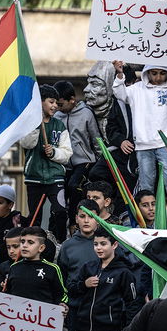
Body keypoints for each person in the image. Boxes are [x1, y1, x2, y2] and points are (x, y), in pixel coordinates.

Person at [112, 60, 167, 196]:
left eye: (163, 73)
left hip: (166, 142)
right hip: (143, 144)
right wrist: (120, 74)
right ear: (147, 72)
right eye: (154, 73)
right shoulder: (136, 89)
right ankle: (147, 215)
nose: (158, 77)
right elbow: (120, 94)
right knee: (146, 184)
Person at [20, 84, 72, 242]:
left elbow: (67, 153)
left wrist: (54, 153)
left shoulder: (59, 125)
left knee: (60, 212)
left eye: (56, 102)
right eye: (51, 102)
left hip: (55, 178)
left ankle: (60, 244)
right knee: (35, 216)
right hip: (34, 178)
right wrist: (36, 124)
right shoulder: (29, 123)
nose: (55, 106)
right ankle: (34, 245)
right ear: (40, 102)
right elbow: (27, 143)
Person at [69, 228, 140, 331]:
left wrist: (128, 329)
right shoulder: (89, 267)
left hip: (108, 330)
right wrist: (84, 284)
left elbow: (132, 303)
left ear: (114, 245)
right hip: (83, 327)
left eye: (103, 244)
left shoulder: (123, 272)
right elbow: (71, 289)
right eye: (95, 244)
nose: (99, 248)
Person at [87, 63, 139, 213]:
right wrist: (121, 141)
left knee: (128, 185)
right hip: (119, 151)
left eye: (128, 84)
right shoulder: (119, 102)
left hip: (137, 154)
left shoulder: (142, 99)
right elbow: (111, 128)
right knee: (96, 173)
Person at [55, 80, 102, 226]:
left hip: (84, 160)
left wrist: (100, 160)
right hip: (64, 163)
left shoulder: (86, 113)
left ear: (72, 100)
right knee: (61, 194)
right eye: (56, 104)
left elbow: (96, 138)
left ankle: (75, 223)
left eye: (61, 104)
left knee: (74, 185)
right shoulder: (57, 116)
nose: (58, 107)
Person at [58, 200, 102, 331]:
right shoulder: (68, 246)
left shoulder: (105, 243)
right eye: (82, 216)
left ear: (98, 219)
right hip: (76, 307)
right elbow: (62, 277)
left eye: (91, 216)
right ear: (76, 218)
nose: (86, 220)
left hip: (102, 307)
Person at [4, 226, 69, 308]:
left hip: (43, 317)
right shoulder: (14, 267)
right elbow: (9, 294)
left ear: (41, 248)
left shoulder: (52, 269)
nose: (24, 245)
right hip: (17, 316)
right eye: (22, 242)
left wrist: (62, 304)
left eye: (30, 242)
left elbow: (62, 295)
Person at [0, 227, 23, 292]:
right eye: (8, 247)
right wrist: (1, 287)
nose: (11, 251)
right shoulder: (3, 267)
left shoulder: (32, 265)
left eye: (15, 246)